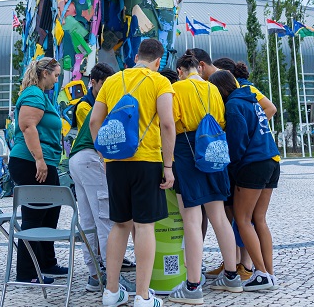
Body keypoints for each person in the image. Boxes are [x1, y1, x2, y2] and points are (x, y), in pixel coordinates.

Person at [90, 38, 176, 307]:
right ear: (159, 61)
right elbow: (167, 124)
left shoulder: (113, 80)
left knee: (120, 224)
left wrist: (104, 155)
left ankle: (111, 292)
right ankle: (142, 296)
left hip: (116, 161)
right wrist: (169, 165)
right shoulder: (159, 81)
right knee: (144, 225)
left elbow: (94, 121)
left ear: (136, 55)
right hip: (147, 160)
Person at [167, 54, 241, 304]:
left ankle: (193, 285)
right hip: (214, 152)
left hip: (187, 152)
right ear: (198, 68)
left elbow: (169, 123)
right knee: (219, 215)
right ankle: (232, 275)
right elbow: (220, 121)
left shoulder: (176, 88)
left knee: (191, 218)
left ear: (180, 70)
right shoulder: (213, 88)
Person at [211, 69, 279, 292]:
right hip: (271, 159)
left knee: (242, 219)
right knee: (259, 219)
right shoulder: (250, 98)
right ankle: (269, 273)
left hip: (252, 164)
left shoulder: (233, 105)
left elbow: (237, 142)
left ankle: (259, 273)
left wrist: (230, 164)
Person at [68, 62, 134, 292]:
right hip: (90, 159)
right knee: (106, 220)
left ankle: (95, 275)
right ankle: (111, 278)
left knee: (89, 221)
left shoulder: (99, 101)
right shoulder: (114, 101)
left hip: (77, 159)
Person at [8, 57, 68, 283]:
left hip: (44, 162)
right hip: (31, 163)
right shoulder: (33, 94)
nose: (56, 79)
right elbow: (27, 126)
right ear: (44, 73)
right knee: (34, 218)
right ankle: (27, 273)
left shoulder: (41, 95)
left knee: (49, 214)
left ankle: (46, 264)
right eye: (55, 75)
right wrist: (39, 159)